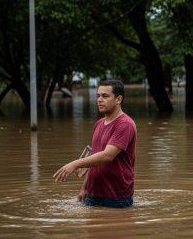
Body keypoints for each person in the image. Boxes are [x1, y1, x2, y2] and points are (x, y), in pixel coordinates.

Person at [53, 79, 137, 208]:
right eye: (98, 96)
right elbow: (95, 158)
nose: (99, 100)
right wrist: (84, 188)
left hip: (116, 197)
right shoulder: (99, 123)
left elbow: (107, 156)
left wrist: (75, 164)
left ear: (118, 99)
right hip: (93, 194)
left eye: (105, 96)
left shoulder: (125, 124)